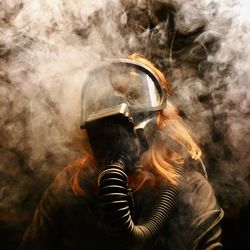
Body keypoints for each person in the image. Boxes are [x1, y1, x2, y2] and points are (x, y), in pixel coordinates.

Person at [18, 54, 224, 250]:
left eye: (135, 96)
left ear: (161, 117)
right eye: (106, 100)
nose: (120, 110)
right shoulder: (72, 185)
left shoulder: (191, 190)